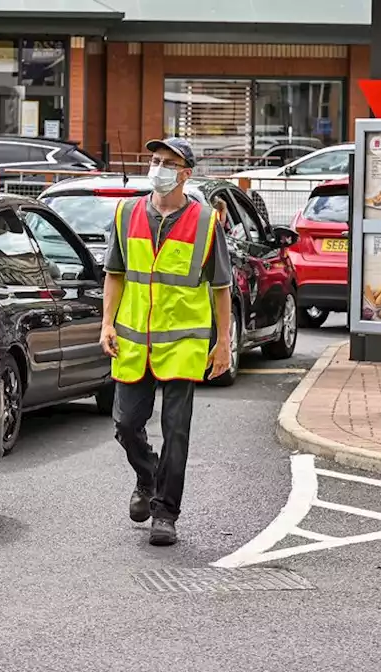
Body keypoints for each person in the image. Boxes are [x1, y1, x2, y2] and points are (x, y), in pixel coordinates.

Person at [98, 137, 234, 546]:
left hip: (183, 344)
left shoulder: (207, 222)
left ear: (185, 173)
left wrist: (223, 342)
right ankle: (147, 475)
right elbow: (115, 275)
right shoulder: (126, 214)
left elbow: (222, 287)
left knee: (176, 431)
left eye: (168, 163)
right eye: (155, 160)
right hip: (134, 341)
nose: (158, 168)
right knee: (125, 424)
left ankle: (165, 513)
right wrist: (107, 323)